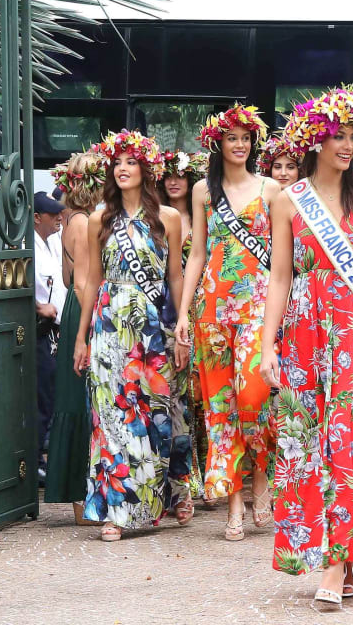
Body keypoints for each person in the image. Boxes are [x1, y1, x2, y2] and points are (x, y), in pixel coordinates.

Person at [259, 86, 353, 604]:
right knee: (309, 446)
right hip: (304, 331)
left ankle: (334, 567)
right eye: (337, 136)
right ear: (313, 139)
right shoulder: (286, 198)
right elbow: (280, 277)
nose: (347, 145)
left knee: (350, 442)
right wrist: (266, 345)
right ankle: (336, 555)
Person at [72, 130, 186, 541]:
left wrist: (183, 324)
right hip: (108, 323)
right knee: (110, 418)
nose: (122, 168)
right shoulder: (100, 219)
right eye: (117, 162)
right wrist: (82, 336)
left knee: (151, 413)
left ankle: (149, 506)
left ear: (146, 170)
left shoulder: (168, 219)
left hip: (151, 327)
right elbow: (93, 282)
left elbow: (175, 276)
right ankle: (113, 510)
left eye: (131, 162)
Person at [175, 104, 280, 541]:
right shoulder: (203, 190)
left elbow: (280, 259)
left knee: (253, 397)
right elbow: (197, 253)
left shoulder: (272, 189)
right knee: (221, 408)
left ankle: (261, 475)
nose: (240, 144)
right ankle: (234, 502)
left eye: (246, 138)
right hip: (213, 309)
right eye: (232, 138)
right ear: (218, 143)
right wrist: (183, 311)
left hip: (257, 305)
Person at [44, 153, 105, 524]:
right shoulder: (84, 223)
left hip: (71, 312)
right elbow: (82, 283)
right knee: (83, 403)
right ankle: (83, 503)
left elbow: (68, 279)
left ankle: (81, 501)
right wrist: (90, 329)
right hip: (83, 314)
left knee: (77, 401)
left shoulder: (71, 220)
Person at [157, 149, 209, 512]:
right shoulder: (156, 219)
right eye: (167, 175)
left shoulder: (205, 215)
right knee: (175, 399)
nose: (174, 181)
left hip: (206, 309)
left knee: (203, 399)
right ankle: (180, 483)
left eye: (181, 175)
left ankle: (209, 477)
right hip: (166, 313)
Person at [33, 191, 67, 482]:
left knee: (54, 392)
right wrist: (36, 306)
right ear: (36, 217)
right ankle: (34, 460)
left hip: (58, 328)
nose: (59, 217)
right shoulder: (26, 245)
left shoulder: (53, 240)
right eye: (52, 213)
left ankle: (43, 454)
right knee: (42, 395)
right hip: (38, 327)